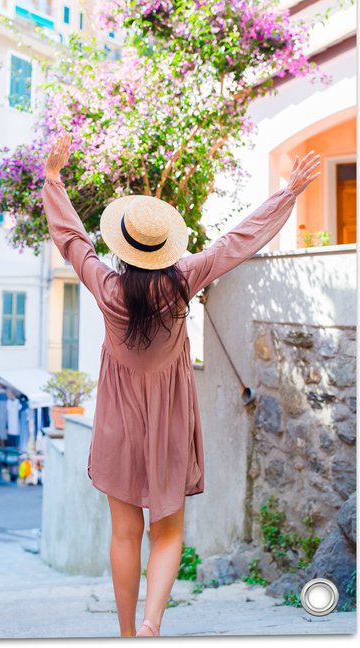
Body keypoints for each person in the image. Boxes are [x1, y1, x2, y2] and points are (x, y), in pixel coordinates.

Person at [41, 132, 321, 638]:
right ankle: (153, 624)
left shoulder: (106, 287)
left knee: (125, 533)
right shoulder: (183, 280)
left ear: (124, 248)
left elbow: (72, 239)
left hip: (119, 423)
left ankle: (127, 634)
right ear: (164, 248)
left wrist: (54, 178)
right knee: (167, 529)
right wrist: (288, 194)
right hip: (169, 421)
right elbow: (237, 241)